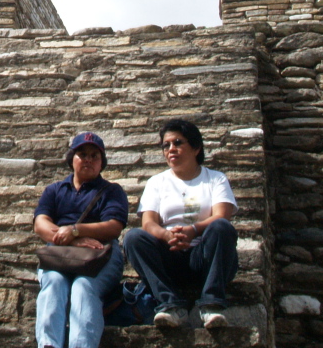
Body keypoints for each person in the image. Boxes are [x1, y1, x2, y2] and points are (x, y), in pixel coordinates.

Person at [123, 119, 238, 329]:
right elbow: (149, 223)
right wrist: (167, 235)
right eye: (166, 145)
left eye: (178, 142)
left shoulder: (215, 179)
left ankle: (211, 305)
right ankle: (170, 305)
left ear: (196, 148)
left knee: (221, 228)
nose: (171, 149)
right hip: (170, 254)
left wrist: (193, 230)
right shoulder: (157, 183)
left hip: (204, 256)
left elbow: (222, 215)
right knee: (133, 238)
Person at [34, 132, 128, 348]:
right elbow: (41, 224)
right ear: (72, 159)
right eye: (82, 154)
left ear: (102, 162)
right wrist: (71, 239)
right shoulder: (55, 190)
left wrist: (75, 230)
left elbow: (113, 226)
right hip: (60, 254)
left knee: (84, 287)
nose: (88, 159)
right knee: (54, 282)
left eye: (94, 156)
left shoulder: (111, 191)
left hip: (100, 256)